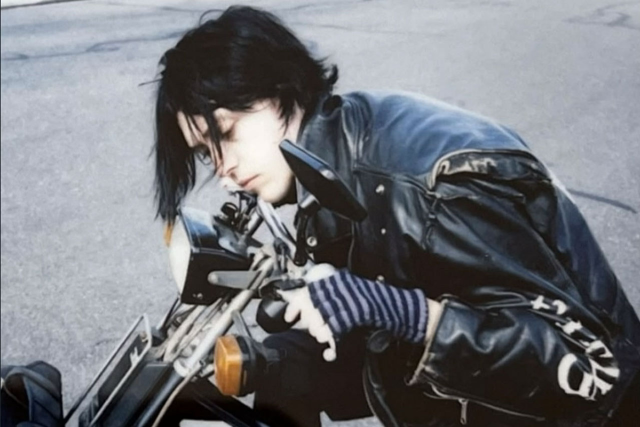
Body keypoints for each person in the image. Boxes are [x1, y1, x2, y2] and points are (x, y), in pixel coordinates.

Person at [152, 5, 640, 427]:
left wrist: (401, 310)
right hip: (452, 384)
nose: (224, 170)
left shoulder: (435, 187)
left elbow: (591, 368)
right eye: (206, 153)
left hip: (588, 410)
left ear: (280, 89)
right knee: (283, 362)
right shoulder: (320, 156)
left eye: (227, 133)